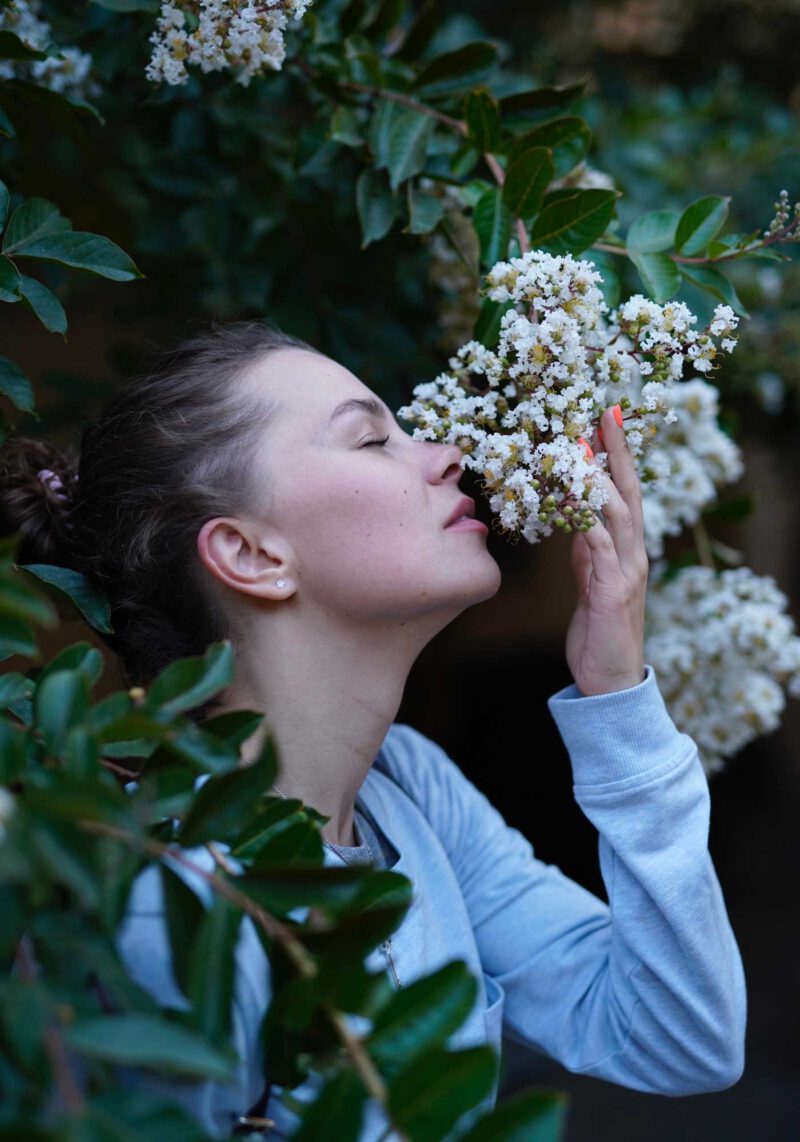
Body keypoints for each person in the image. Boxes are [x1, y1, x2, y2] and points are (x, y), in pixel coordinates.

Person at [0, 320, 746, 1139]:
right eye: (371, 439)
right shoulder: (170, 914)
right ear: (251, 554)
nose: (447, 455)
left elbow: (680, 1039)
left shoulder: (409, 792)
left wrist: (617, 698)